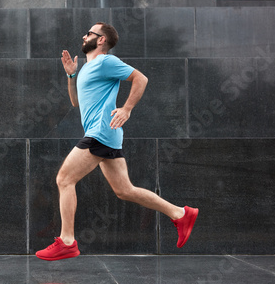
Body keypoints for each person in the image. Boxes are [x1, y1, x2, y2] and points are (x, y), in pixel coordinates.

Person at [35, 22, 198, 261]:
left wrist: (127, 108)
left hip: (100, 133)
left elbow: (140, 79)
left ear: (101, 40)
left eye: (89, 33)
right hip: (105, 134)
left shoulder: (105, 62)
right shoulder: (88, 68)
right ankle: (180, 214)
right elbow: (75, 102)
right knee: (125, 190)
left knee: (64, 179)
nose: (84, 35)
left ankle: (67, 241)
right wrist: (71, 75)